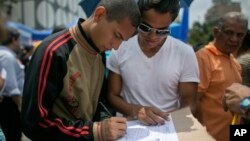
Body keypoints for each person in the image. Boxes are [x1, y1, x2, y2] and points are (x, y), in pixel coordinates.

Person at [21, 0, 141, 141]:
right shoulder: (53, 51)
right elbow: (35, 123)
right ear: (99, 14)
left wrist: (107, 122)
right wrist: (95, 131)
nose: (116, 46)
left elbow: (99, 103)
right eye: (117, 35)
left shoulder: (99, 54)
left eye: (123, 41)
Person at [107, 0, 199, 126]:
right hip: (130, 127)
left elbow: (189, 103)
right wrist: (136, 111)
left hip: (169, 127)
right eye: (145, 28)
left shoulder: (185, 53)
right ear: (138, 21)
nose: (153, 36)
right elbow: (112, 96)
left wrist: (171, 124)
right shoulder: (120, 48)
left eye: (162, 31)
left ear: (170, 25)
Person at [195, 12, 248, 141]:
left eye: (240, 35)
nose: (234, 39)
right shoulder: (203, 57)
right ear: (216, 32)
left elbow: (238, 108)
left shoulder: (235, 62)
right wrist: (198, 136)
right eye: (229, 33)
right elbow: (192, 102)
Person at [0, 27, 24, 141]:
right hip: (9, 104)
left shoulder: (6, 55)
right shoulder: (7, 57)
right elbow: (11, 87)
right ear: (14, 40)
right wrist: (20, 107)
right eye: (19, 40)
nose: (21, 43)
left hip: (7, 103)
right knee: (12, 136)